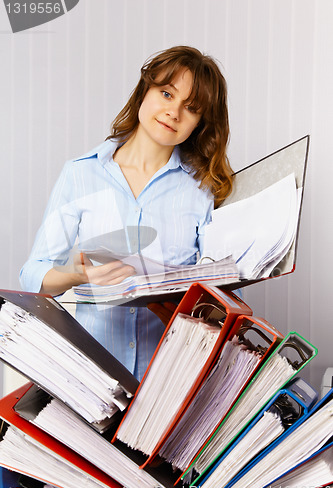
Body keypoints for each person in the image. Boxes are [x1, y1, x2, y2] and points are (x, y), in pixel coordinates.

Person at [20, 45, 234, 380]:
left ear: (199, 123)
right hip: (91, 376)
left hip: (170, 376)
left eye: (191, 109)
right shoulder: (80, 174)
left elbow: (218, 296)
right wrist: (75, 275)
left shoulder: (204, 190)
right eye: (166, 93)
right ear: (144, 91)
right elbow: (34, 274)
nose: (174, 112)